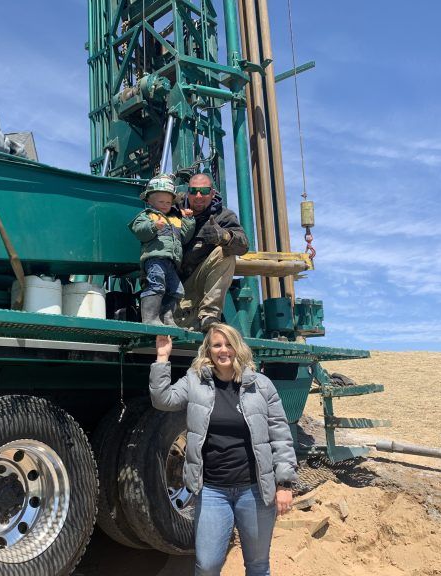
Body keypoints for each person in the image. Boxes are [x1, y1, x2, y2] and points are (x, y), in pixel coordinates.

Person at [150, 324, 298, 576]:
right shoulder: (195, 381)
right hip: (211, 491)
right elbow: (163, 400)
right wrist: (162, 358)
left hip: (255, 491)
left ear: (238, 347)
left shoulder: (261, 386)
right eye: (217, 345)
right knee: (207, 566)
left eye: (228, 344)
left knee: (258, 565)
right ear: (208, 350)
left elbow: (281, 435)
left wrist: (284, 483)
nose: (223, 350)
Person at [176, 172, 249, 332]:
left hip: (196, 284)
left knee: (225, 253)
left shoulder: (223, 216)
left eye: (204, 191)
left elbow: (243, 246)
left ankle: (209, 315)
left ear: (213, 193)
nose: (199, 196)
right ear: (188, 192)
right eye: (194, 191)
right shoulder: (173, 206)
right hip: (171, 285)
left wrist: (224, 236)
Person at [129, 173, 195, 325]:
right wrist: (153, 226)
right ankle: (150, 318)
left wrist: (189, 219)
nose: (165, 205)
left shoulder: (175, 219)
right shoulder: (147, 216)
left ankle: (167, 317)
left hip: (171, 263)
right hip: (155, 259)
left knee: (177, 290)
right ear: (150, 200)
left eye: (168, 202)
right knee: (156, 284)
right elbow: (139, 230)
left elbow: (185, 237)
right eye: (161, 201)